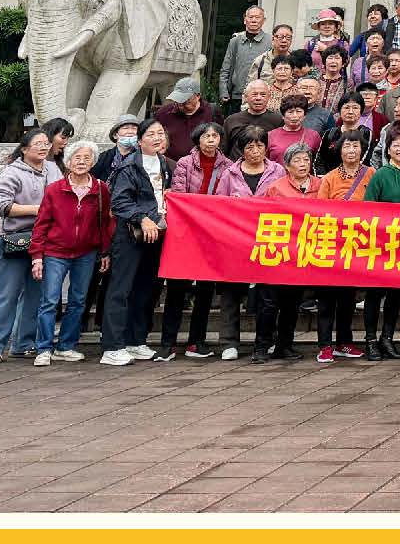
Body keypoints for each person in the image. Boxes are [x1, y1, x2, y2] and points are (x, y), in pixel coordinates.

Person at [158, 122, 238, 361]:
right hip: (185, 230)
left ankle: (197, 341)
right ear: (197, 139)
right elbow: (178, 193)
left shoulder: (229, 166)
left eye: (215, 136)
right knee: (176, 288)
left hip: (212, 233)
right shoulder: (184, 163)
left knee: (205, 290)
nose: (211, 140)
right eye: (206, 136)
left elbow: (228, 197)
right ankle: (168, 343)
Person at [27, 136, 109, 367]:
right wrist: (37, 256)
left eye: (86, 158)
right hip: (55, 252)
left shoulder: (101, 189)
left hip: (86, 253)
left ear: (93, 162)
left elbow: (105, 223)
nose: (81, 162)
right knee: (49, 300)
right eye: (76, 157)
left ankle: (66, 346)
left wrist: (105, 251)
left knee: (78, 300)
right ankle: (43, 348)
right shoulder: (55, 189)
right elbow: (41, 224)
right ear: (68, 161)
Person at [98, 118, 172, 367]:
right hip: (131, 235)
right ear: (139, 141)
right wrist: (142, 218)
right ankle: (112, 346)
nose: (157, 138)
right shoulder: (129, 166)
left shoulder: (163, 163)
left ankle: (136, 340)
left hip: (156, 234)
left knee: (146, 289)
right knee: (120, 289)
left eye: (160, 133)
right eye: (151, 134)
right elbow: (119, 202)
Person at [0, 128, 53, 363]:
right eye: (38, 143)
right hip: (13, 240)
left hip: (44, 241)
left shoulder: (53, 169)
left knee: (35, 296)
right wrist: (39, 210)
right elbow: (0, 205)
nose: (43, 147)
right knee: (6, 295)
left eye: (46, 143)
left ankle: (23, 344)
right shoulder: (12, 172)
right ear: (24, 148)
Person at [358, 133, 400, 360]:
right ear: (388, 149)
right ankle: (370, 340)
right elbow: (368, 208)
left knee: (396, 294)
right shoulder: (380, 175)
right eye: (396, 145)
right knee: (374, 293)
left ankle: (387, 338)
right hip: (381, 243)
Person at [309, 129, 376, 363]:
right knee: (327, 298)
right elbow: (320, 211)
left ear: (362, 149)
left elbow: (378, 206)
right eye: (347, 146)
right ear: (339, 150)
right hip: (332, 243)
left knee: (348, 297)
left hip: (357, 244)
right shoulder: (329, 178)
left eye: (356, 146)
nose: (351, 150)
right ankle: (325, 345)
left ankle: (344, 342)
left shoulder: (371, 174)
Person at [254, 142, 320, 360]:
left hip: (303, 253)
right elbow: (264, 216)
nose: (303, 164)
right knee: (269, 303)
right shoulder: (276, 187)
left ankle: (284, 345)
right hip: (278, 252)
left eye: (306, 160)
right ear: (287, 165)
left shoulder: (320, 186)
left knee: (292, 303)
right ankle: (261, 347)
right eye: (297, 160)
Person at [220, 6, 271, 105]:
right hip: (237, 96)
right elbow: (225, 69)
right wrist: (223, 91)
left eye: (257, 17)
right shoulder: (235, 41)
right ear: (245, 20)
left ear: (263, 20)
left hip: (261, 97)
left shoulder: (270, 41)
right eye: (251, 17)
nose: (254, 20)